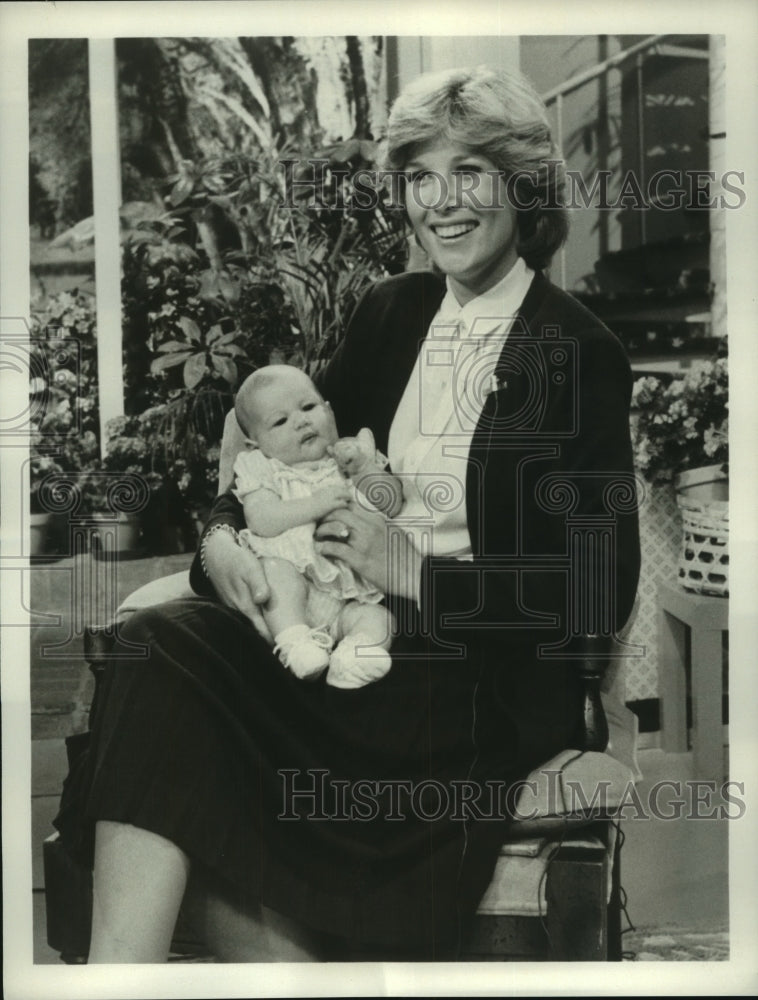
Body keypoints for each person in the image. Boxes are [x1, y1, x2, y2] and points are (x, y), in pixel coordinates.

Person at [54, 64, 640, 963]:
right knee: (158, 643)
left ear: (523, 187)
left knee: (195, 733)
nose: (441, 203)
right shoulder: (391, 313)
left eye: (470, 172)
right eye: (420, 177)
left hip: (471, 681)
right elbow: (280, 450)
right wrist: (221, 544)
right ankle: (117, 978)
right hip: (337, 630)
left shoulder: (579, 350)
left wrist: (413, 574)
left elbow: (594, 595)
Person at [231, 364, 399, 688]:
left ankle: (352, 659)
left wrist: (365, 470)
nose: (301, 421)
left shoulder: (349, 456)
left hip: (350, 596)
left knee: (380, 619)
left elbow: (392, 503)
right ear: (256, 444)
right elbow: (261, 519)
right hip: (294, 592)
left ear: (329, 412)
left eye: (308, 407)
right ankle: (296, 644)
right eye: (280, 421)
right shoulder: (264, 468)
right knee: (275, 572)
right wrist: (315, 505)